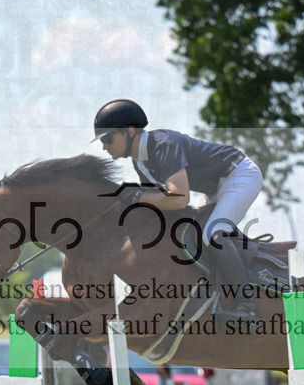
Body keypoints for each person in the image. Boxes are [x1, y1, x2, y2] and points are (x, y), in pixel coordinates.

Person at [93, 98, 264, 327]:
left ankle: (248, 309)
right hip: (213, 189)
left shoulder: (163, 143)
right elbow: (158, 204)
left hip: (239, 175)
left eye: (107, 138)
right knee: (191, 235)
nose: (104, 146)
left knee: (213, 234)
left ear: (130, 131)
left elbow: (179, 198)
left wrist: (136, 196)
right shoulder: (140, 162)